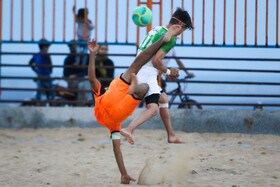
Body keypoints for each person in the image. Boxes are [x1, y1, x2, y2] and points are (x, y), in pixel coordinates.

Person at [88, 26, 181, 184]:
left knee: (142, 81)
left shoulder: (112, 122)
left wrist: (123, 173)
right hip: (120, 96)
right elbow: (92, 78)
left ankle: (142, 91)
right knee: (139, 68)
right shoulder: (104, 97)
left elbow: (117, 150)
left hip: (115, 108)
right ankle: (162, 41)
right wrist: (92, 54)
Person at [120, 8, 193, 145]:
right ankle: (129, 129)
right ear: (179, 25)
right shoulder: (170, 39)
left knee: (163, 98)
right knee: (153, 109)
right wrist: (170, 72)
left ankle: (171, 135)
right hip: (147, 74)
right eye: (183, 29)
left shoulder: (156, 29)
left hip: (137, 69)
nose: (182, 33)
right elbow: (156, 61)